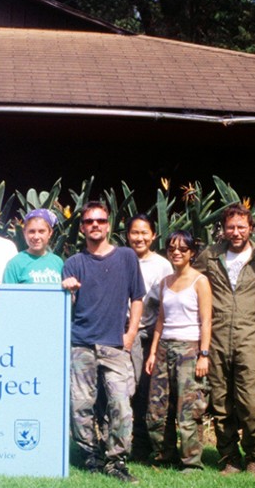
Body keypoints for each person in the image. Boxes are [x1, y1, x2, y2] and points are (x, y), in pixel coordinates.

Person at [61, 201, 145, 483]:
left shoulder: (126, 257)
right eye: (88, 222)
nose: (94, 225)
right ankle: (91, 457)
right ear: (82, 227)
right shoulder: (73, 264)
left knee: (120, 404)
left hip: (115, 345)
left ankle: (116, 460)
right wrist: (68, 290)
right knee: (80, 406)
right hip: (81, 344)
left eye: (100, 220)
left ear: (109, 224)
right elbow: (67, 307)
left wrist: (131, 334)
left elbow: (137, 298)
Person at [193, 203, 255, 475]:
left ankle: (254, 457)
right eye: (230, 227)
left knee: (252, 403)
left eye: (241, 227)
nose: (236, 232)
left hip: (250, 337)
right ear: (223, 229)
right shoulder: (210, 256)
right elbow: (191, 283)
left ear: (251, 228)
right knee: (221, 401)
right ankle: (229, 457)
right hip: (218, 337)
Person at [145, 230, 212, 472]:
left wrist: (203, 355)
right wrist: (153, 352)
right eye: (172, 248)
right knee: (158, 407)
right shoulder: (165, 282)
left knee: (188, 408)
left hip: (189, 349)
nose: (176, 252)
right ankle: (164, 455)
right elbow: (160, 321)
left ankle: (191, 462)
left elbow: (206, 321)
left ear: (191, 253)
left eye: (182, 249)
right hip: (164, 347)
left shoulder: (200, 281)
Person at [125, 214, 172, 462]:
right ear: (127, 235)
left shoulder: (163, 265)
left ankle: (142, 445)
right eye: (135, 233)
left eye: (145, 233)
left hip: (148, 334)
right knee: (123, 389)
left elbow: (166, 303)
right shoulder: (121, 258)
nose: (139, 237)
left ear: (153, 235)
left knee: (144, 390)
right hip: (121, 332)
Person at [3, 208, 63, 284]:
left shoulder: (58, 262)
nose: (36, 237)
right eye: (31, 231)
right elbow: (7, 294)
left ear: (50, 233)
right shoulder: (15, 264)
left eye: (41, 231)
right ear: (24, 233)